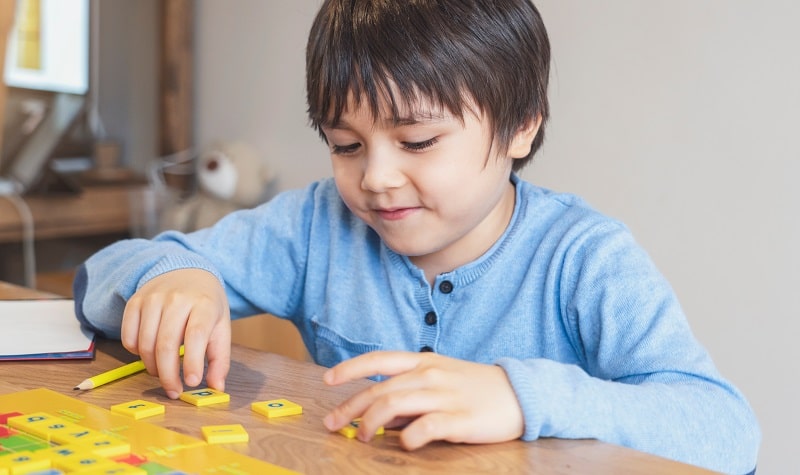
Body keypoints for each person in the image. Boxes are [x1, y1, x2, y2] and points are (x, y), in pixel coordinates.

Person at [73, 0, 760, 473]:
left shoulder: (583, 256)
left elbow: (727, 430)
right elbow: (103, 274)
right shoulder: (317, 225)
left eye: (418, 140)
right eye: (345, 144)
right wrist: (169, 277)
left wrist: (522, 397)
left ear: (522, 125)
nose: (375, 178)